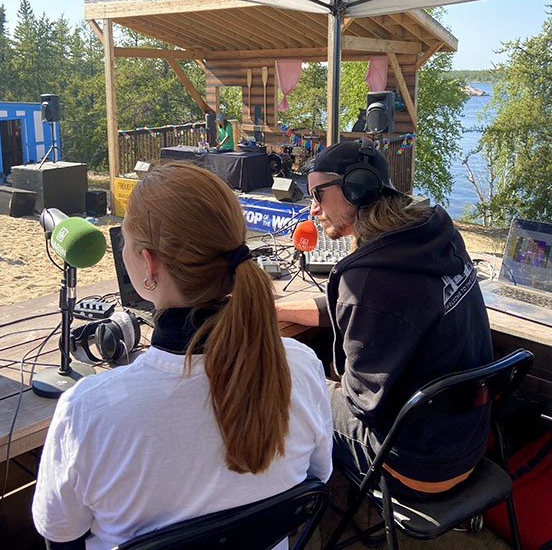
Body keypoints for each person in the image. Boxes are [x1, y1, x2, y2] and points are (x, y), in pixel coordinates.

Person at [33, 163, 333, 550]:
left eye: (123, 240)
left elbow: (60, 537)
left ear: (149, 264)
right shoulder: (301, 367)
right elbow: (316, 478)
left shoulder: (86, 411)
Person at [276, 138, 494, 496]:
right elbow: (354, 306)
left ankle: (296, 507)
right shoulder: (436, 236)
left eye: (317, 195)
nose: (313, 209)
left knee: (289, 388)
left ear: (355, 190)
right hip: (467, 441)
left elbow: (360, 401)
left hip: (416, 466)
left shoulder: (371, 280)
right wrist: (273, 308)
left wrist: (321, 380)